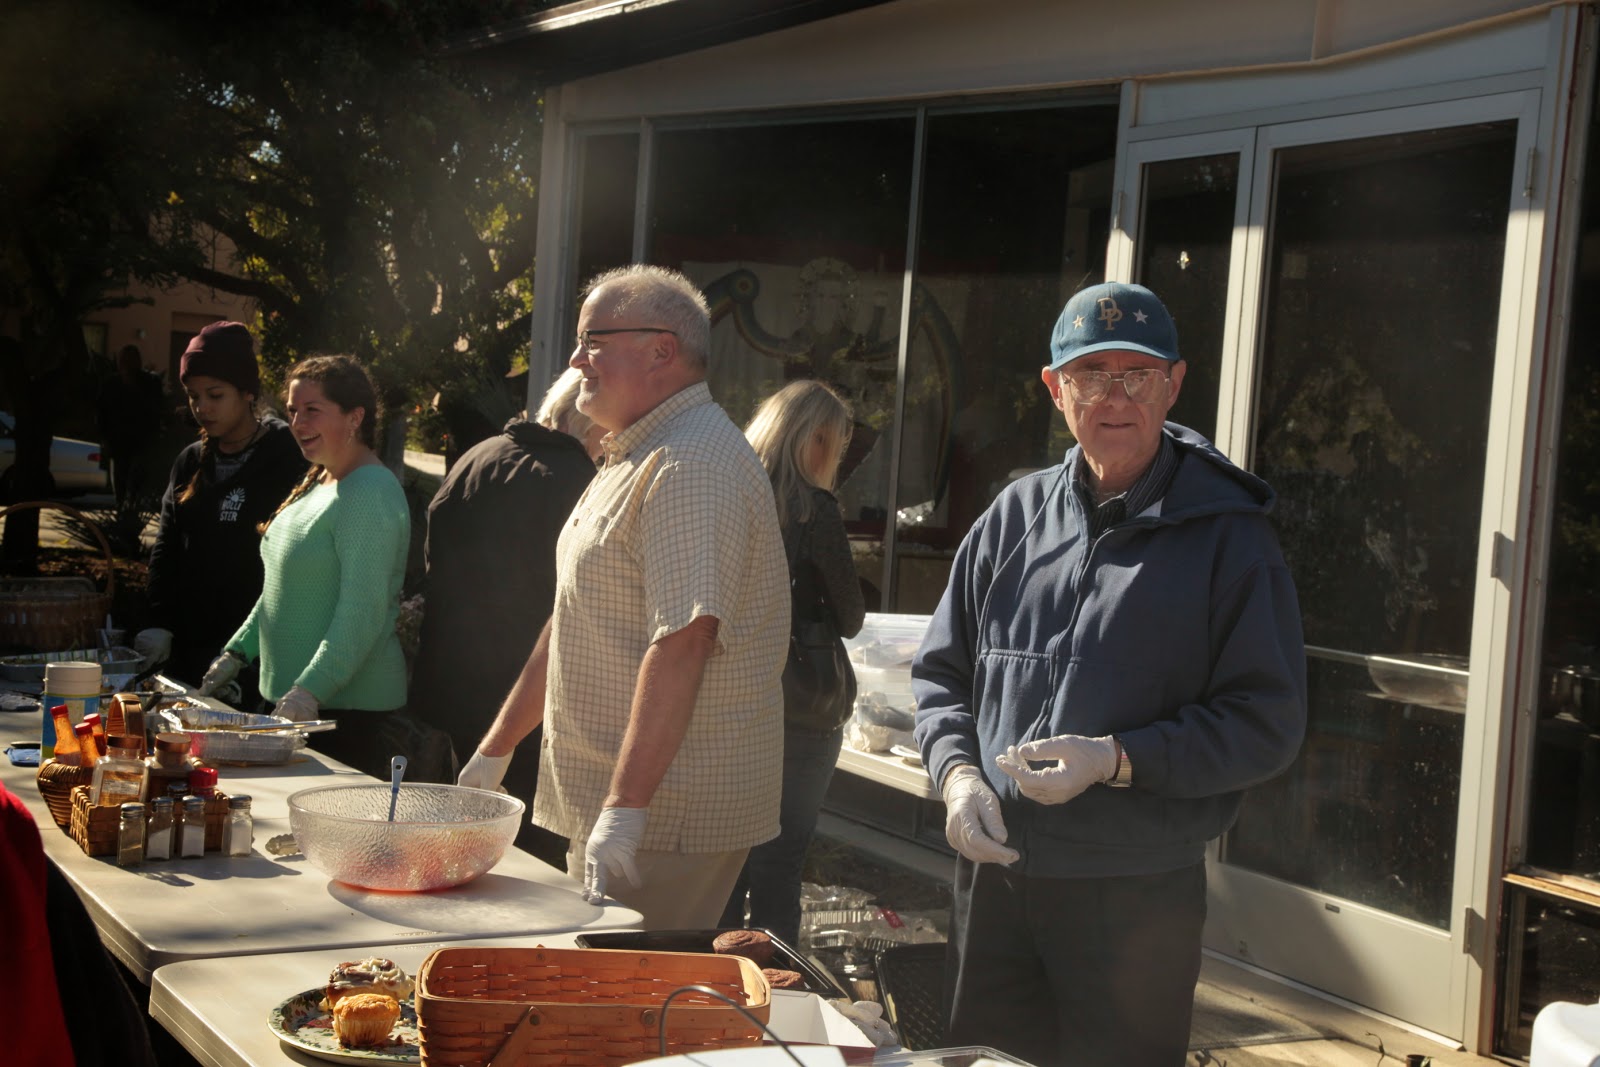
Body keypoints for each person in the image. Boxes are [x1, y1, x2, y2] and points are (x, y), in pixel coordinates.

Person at [912, 281, 1308, 1067]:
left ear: (1174, 384)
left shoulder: (1231, 539)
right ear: (1055, 389)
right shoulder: (1012, 517)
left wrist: (1117, 758)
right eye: (1092, 375)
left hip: (1134, 895)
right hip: (996, 882)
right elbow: (940, 673)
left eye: (1138, 375)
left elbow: (1267, 724)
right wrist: (955, 774)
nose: (1116, 397)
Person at [457, 264, 789, 928]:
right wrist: (495, 750)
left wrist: (627, 807)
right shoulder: (640, 450)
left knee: (628, 988)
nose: (575, 360)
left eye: (593, 341)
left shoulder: (689, 463)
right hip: (632, 806)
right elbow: (576, 616)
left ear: (662, 350)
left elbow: (685, 640)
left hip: (667, 816)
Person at [410, 367, 604, 866]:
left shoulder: (477, 456)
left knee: (468, 842)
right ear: (589, 420)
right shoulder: (583, 483)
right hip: (532, 704)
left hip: (459, 687)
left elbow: (434, 565)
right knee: (530, 859)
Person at [197, 355, 413, 781]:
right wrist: (237, 653)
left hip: (344, 715)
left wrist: (310, 690)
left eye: (312, 410)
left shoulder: (369, 490)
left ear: (354, 417)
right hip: (298, 705)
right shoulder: (321, 478)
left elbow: (363, 610)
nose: (297, 422)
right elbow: (282, 587)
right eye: (293, 410)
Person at [719, 379, 864, 945]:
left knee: (726, 861)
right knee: (779, 863)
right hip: (801, 709)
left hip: (730, 699)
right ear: (817, 440)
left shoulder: (728, 494)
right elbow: (850, 616)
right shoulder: (815, 510)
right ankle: (774, 981)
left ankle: (711, 974)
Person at [135, 322, 308, 687]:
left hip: (256, 653)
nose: (202, 407)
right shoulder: (190, 461)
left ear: (247, 392)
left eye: (215, 395)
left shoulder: (287, 456)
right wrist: (157, 622)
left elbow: (298, 560)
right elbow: (166, 545)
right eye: (193, 396)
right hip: (187, 647)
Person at [95, 343, 166, 507]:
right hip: (119, 442)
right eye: (124, 360)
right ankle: (123, 508)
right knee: (121, 480)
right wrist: (105, 438)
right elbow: (101, 413)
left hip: (141, 442)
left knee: (136, 481)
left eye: (129, 361)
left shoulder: (150, 383)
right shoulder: (110, 384)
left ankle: (130, 507)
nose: (126, 365)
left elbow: (156, 411)